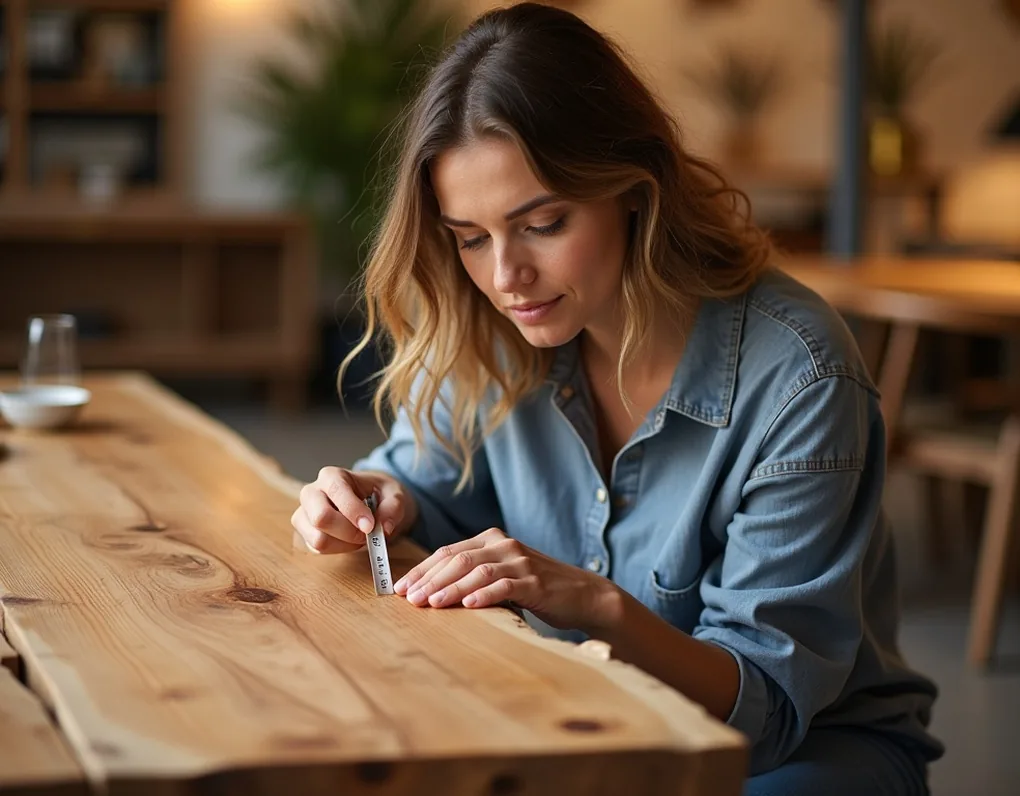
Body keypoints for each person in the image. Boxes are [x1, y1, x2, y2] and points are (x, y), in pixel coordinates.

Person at [290, 4, 943, 793]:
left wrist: (592, 603)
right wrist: (376, 500)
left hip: (808, 754)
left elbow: (765, 714)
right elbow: (424, 489)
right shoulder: (490, 329)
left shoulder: (800, 375)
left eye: (544, 223)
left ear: (634, 188)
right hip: (582, 717)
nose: (505, 277)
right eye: (470, 237)